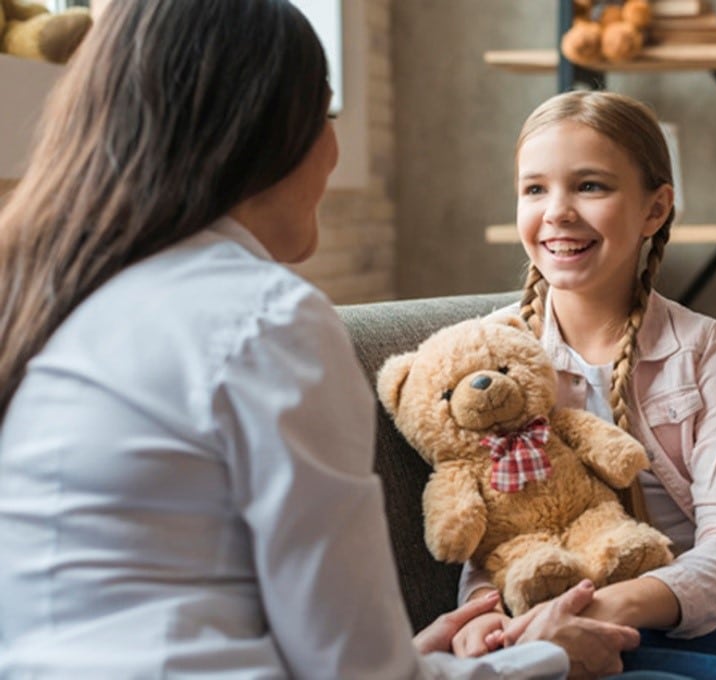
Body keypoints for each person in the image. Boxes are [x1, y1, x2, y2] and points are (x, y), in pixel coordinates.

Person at [0, 2, 667, 678]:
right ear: (265, 132)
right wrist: (547, 658)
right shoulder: (262, 320)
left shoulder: (60, 301)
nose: (333, 147)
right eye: (327, 115)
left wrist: (408, 654)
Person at [450, 90, 716, 679]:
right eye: (535, 189)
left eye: (590, 186)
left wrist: (601, 610)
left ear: (654, 211)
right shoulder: (489, 357)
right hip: (560, 607)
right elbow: (487, 525)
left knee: (600, 661)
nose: (557, 211)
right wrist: (479, 616)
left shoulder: (701, 348)